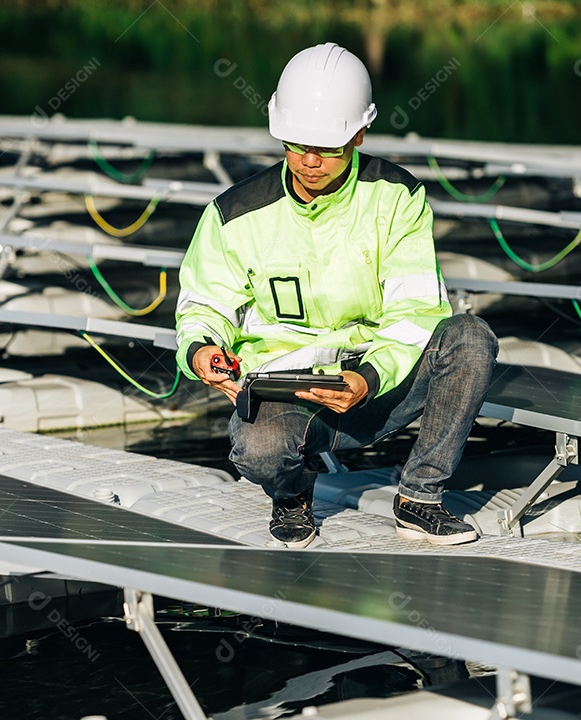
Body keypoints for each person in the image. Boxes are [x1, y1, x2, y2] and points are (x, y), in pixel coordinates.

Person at [175, 42, 498, 548]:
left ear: (359, 134)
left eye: (326, 148)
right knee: (259, 450)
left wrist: (368, 378)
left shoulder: (399, 197)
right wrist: (201, 350)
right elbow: (204, 305)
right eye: (296, 144)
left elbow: (417, 311)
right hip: (290, 393)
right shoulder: (232, 214)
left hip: (382, 381)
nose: (309, 161)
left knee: (470, 337)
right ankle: (292, 493)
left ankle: (420, 498)